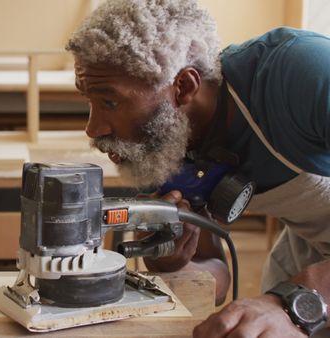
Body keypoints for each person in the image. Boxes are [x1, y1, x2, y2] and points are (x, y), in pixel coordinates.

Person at [66, 0, 330, 337]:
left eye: (110, 102)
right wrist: (175, 262)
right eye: (89, 101)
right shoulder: (165, 140)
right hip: (310, 255)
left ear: (184, 87)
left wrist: (296, 302)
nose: (93, 128)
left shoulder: (302, 74)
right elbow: (216, 278)